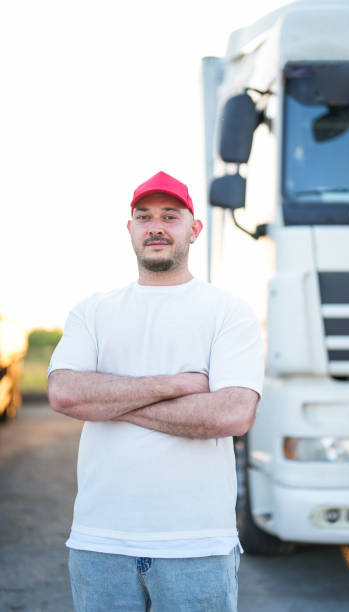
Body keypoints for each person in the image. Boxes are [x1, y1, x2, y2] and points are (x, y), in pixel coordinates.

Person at [48, 171, 264, 612]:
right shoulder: (93, 311)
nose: (156, 227)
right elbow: (66, 394)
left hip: (197, 546)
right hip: (100, 542)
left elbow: (232, 415)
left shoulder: (228, 311)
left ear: (193, 229)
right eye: (144, 217)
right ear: (130, 230)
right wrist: (178, 385)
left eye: (170, 215)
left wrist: (109, 402)